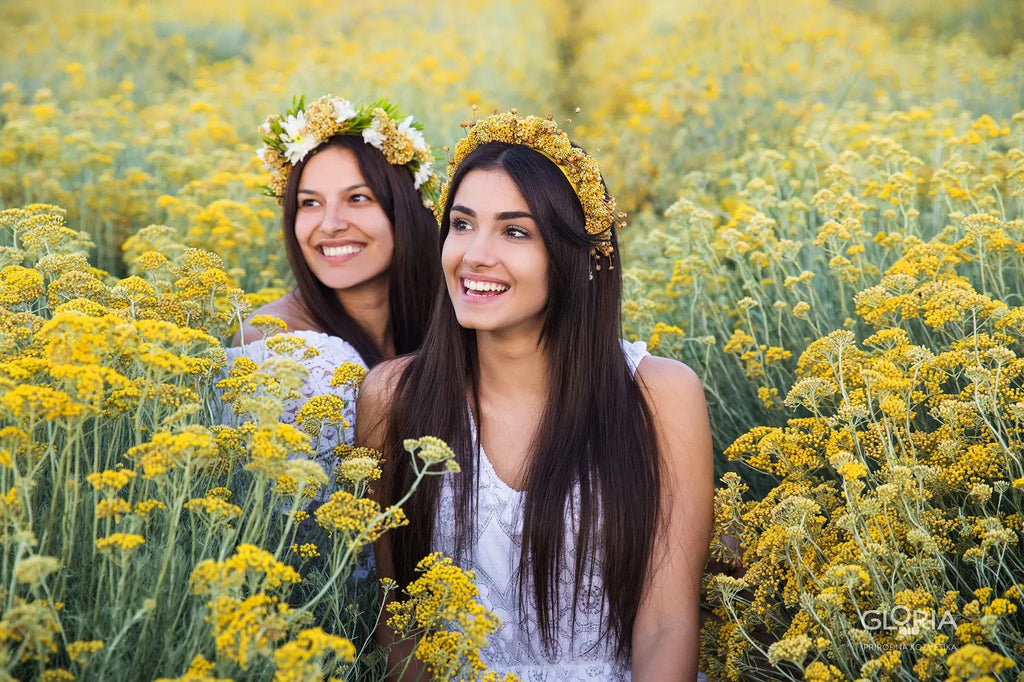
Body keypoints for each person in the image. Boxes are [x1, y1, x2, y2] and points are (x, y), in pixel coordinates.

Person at [357, 112, 714, 680]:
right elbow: (401, 622)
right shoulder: (392, 397)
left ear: (574, 257)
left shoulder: (659, 394)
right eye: (462, 224)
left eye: (514, 231)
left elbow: (667, 622)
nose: (474, 255)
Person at [227, 95, 440, 485]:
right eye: (310, 203)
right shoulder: (280, 346)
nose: (329, 224)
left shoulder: (451, 316)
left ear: (406, 209)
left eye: (357, 198)